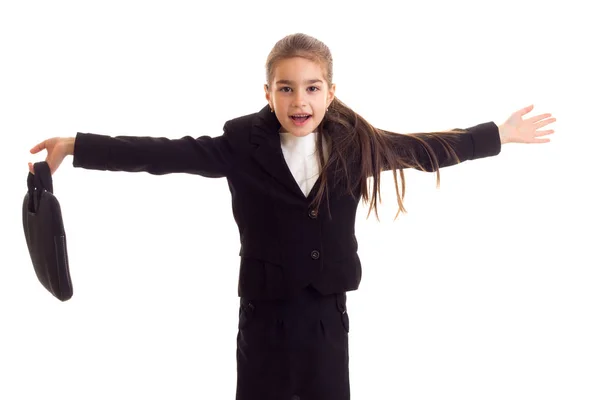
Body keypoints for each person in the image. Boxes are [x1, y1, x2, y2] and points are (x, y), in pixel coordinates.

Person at [28, 33, 556, 400]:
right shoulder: (241, 145)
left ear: (330, 92)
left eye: (311, 87)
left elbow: (424, 149)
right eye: (285, 88)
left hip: (328, 315)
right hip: (264, 317)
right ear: (267, 93)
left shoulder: (357, 146)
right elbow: (166, 154)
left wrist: (499, 134)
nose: (298, 99)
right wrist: (77, 145)